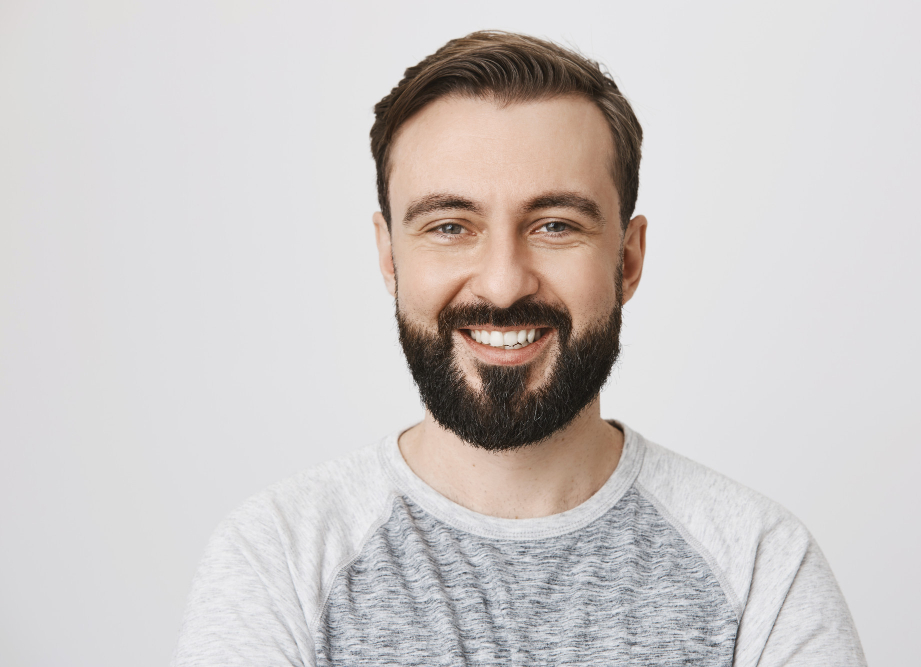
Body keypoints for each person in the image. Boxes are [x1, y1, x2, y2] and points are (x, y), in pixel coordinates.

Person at [173, 31, 866, 666]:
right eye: (450, 226)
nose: (503, 282)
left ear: (627, 259)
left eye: (555, 224)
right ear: (390, 257)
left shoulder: (760, 569)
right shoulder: (280, 561)